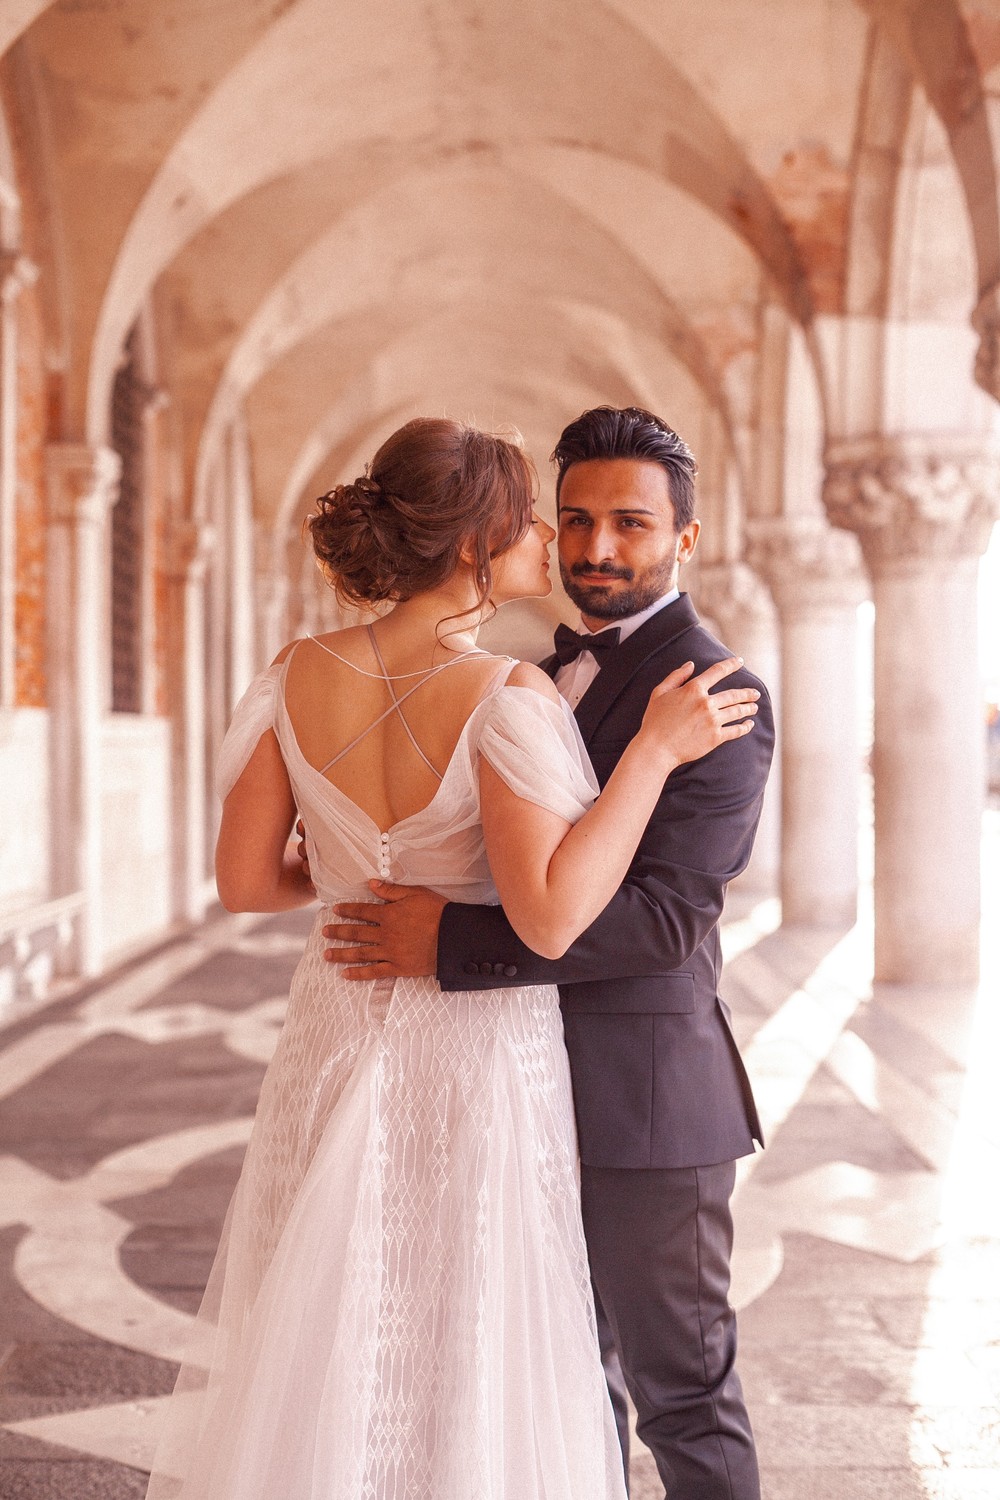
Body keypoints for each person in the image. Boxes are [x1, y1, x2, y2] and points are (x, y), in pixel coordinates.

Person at [144, 416, 759, 1500]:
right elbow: (554, 916)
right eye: (548, 517)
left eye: (620, 523)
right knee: (482, 1351)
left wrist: (353, 881)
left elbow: (244, 884)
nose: (569, 542)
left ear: (684, 537)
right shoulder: (503, 693)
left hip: (340, 1033)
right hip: (476, 1059)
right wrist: (650, 757)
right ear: (479, 545)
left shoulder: (294, 671)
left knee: (350, 1333)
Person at [321, 407, 775, 1500]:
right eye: (573, 520)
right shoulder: (522, 672)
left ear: (686, 538)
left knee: (682, 1393)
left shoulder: (715, 698)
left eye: (629, 522)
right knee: (560, 1386)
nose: (596, 549)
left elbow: (669, 919)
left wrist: (454, 941)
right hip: (507, 1081)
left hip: (644, 1105)